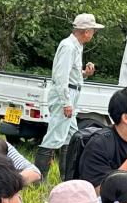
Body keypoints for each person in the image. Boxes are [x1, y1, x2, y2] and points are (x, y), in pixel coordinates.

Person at [36, 13, 103, 179]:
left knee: (71, 136)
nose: (93, 33)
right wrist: (66, 102)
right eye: (92, 30)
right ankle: (38, 179)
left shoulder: (76, 46)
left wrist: (84, 74)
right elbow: (61, 76)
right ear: (86, 31)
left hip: (71, 93)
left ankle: (67, 177)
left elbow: (69, 72)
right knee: (55, 136)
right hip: (64, 95)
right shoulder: (68, 46)